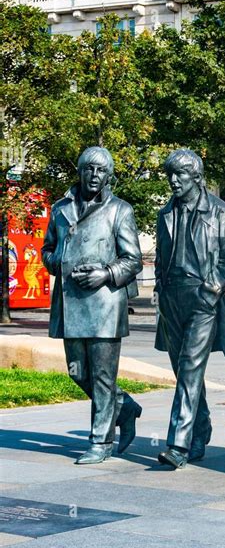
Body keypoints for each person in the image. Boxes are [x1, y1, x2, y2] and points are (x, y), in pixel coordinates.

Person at [42, 146, 143, 464]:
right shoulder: (60, 209)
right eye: (89, 168)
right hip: (71, 302)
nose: (95, 175)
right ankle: (124, 406)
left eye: (101, 170)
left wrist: (105, 273)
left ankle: (101, 441)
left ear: (109, 175)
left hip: (105, 305)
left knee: (101, 375)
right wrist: (59, 260)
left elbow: (133, 260)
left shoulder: (119, 210)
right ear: (80, 171)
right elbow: (47, 250)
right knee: (76, 371)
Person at [154, 149, 225, 469]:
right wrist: (158, 291)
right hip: (171, 302)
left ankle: (179, 444)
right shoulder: (165, 212)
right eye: (170, 175)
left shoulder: (218, 212)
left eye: (180, 175)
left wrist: (212, 287)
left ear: (197, 178)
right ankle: (201, 427)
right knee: (184, 371)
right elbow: (162, 258)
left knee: (191, 367)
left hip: (203, 300)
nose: (174, 181)